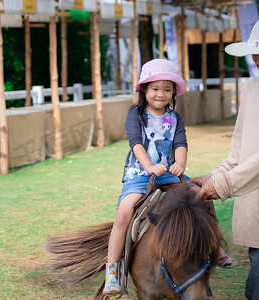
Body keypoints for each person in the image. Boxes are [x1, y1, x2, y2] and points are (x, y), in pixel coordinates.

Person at [103, 58, 237, 296]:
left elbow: (180, 143)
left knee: (203, 195)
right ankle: (112, 272)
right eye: (155, 88)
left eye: (167, 89)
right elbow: (136, 143)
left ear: (174, 91)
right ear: (144, 89)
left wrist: (180, 164)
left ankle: (217, 248)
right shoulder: (136, 114)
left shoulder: (175, 118)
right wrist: (150, 166)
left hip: (170, 175)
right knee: (124, 212)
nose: (161, 94)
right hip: (140, 173)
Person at [189, 20, 259, 300]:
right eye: (256, 52)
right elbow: (238, 149)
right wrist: (212, 177)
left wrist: (224, 184)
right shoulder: (250, 87)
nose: (256, 58)